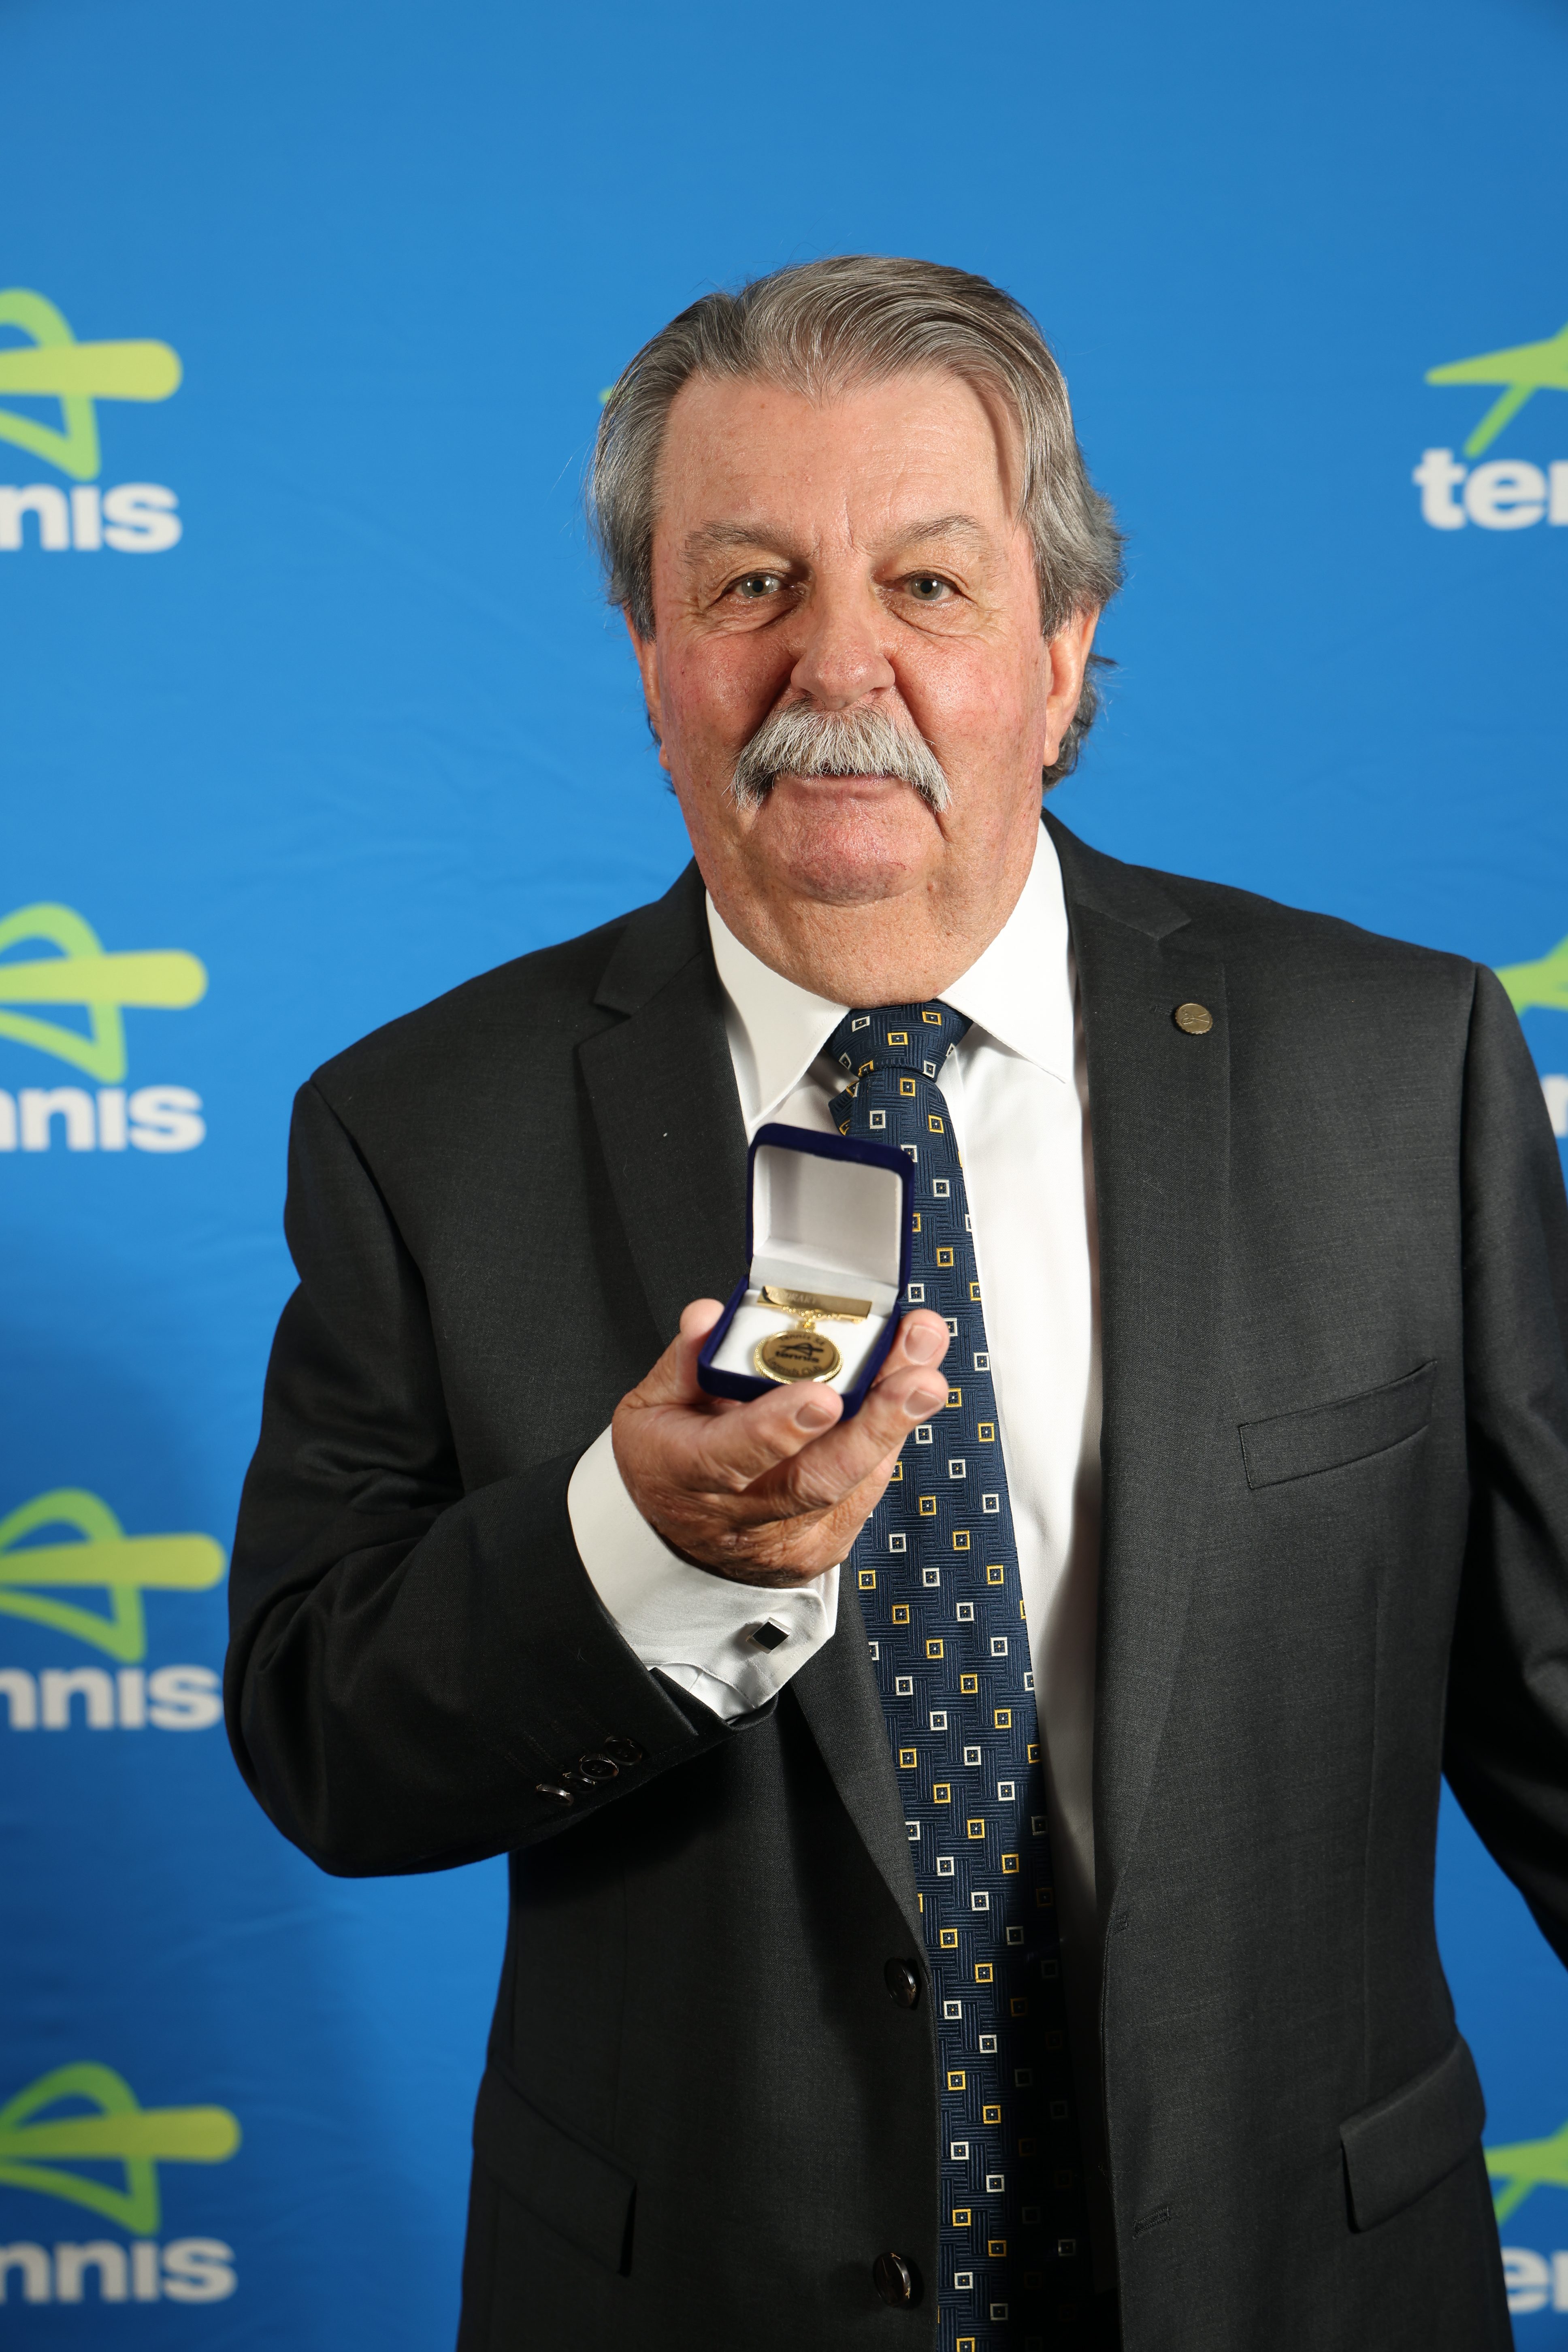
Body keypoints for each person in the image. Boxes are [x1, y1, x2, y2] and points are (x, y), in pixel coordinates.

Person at [225, 256, 1565, 2352]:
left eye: (930, 585)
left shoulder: (1397, 1068)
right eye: (749, 584)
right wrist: (638, 1546)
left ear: (1063, 644)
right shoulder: (423, 1129)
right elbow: (326, 1738)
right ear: (651, 650)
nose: (836, 662)